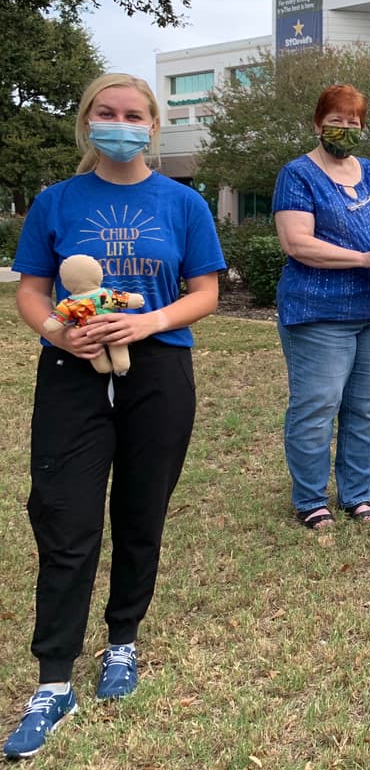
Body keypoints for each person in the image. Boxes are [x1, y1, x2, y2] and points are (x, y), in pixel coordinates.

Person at [6, 74, 225, 758]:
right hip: (72, 375)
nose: (121, 122)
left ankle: (122, 641)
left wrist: (148, 322)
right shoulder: (55, 202)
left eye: (134, 114)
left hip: (157, 372)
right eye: (108, 112)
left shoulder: (183, 203)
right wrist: (56, 333)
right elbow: (33, 292)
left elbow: (206, 292)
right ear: (87, 121)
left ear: (153, 127)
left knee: (140, 515)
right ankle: (53, 680)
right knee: (65, 519)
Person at [273, 84, 370, 530]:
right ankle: (311, 499)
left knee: (369, 404)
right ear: (318, 124)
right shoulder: (297, 175)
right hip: (319, 311)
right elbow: (296, 242)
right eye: (336, 121)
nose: (345, 129)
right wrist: (362, 258)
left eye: (354, 123)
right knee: (318, 405)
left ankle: (357, 494)